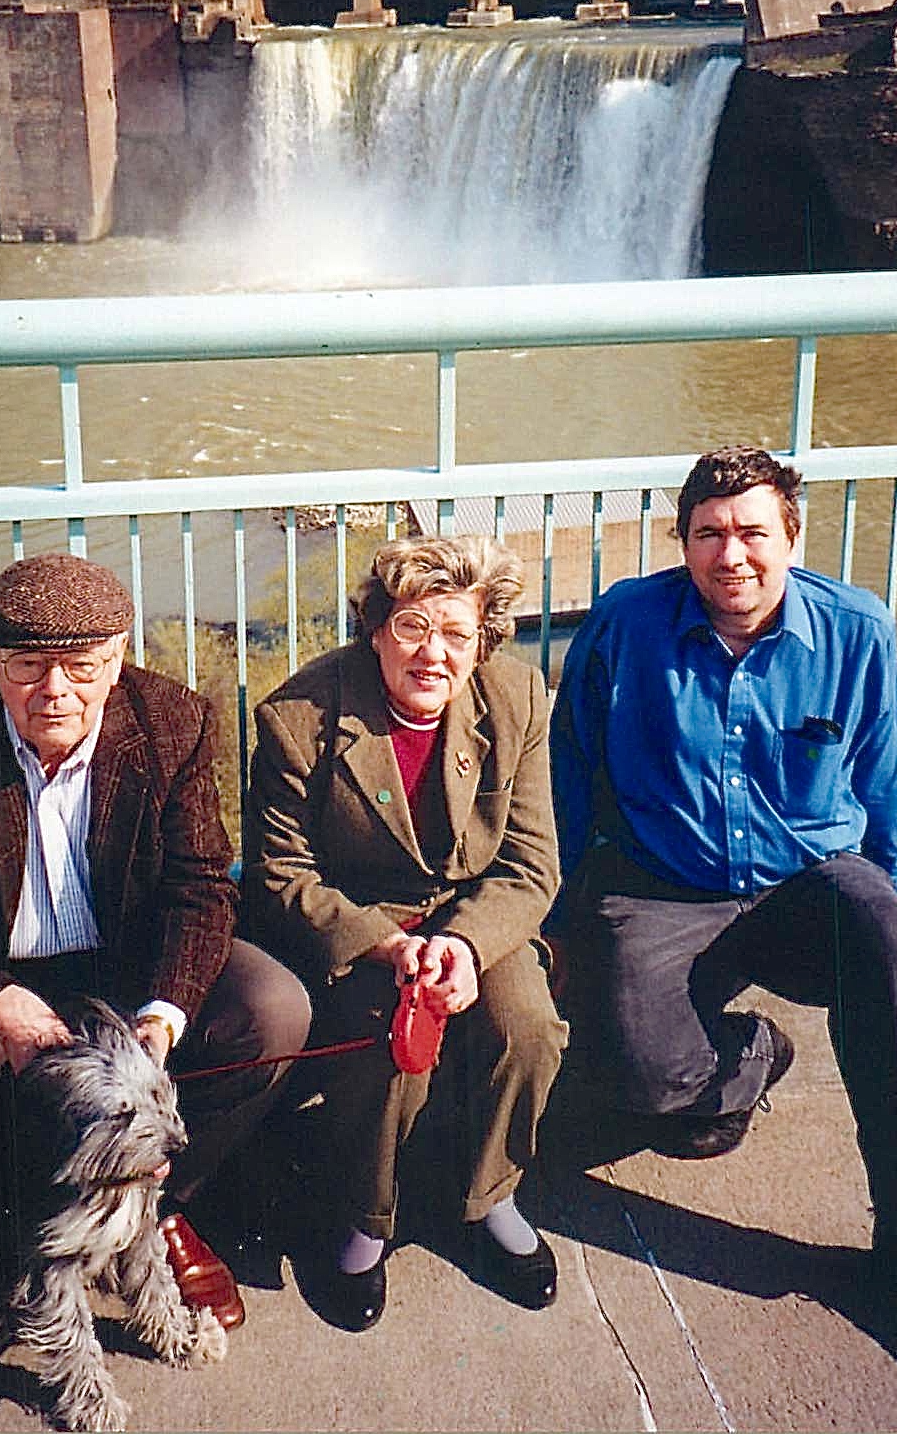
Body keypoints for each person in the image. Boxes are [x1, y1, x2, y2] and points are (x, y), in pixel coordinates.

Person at [0, 552, 311, 1418]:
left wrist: (160, 1017)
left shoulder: (175, 724)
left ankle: (145, 1207)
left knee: (273, 1008)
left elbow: (202, 887)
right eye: (27, 665)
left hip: (116, 971)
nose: (56, 688)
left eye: (82, 667)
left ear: (116, 659)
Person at [549, 445, 897, 1374]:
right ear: (682, 542)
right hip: (665, 884)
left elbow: (882, 787)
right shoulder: (626, 622)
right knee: (643, 1084)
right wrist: (564, 914)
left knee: (891, 951)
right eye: (707, 533)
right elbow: (569, 761)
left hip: (804, 884)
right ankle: (750, 1055)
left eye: (750, 531)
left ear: (791, 533)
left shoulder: (853, 629)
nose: (728, 554)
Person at [243, 535, 567, 1332]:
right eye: (413, 626)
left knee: (526, 1024)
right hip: (362, 921)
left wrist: (461, 947)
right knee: (389, 1040)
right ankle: (362, 1220)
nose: (434, 652)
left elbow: (530, 862)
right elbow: (279, 872)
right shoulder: (298, 718)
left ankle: (490, 1195)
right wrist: (385, 946)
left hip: (472, 915)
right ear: (376, 629)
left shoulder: (517, 697)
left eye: (457, 633)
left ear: (482, 641)